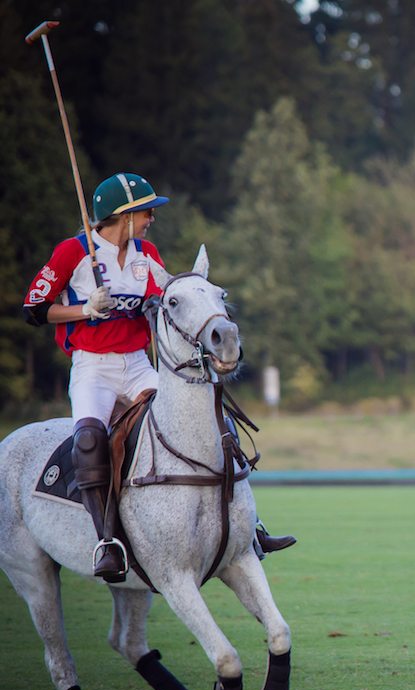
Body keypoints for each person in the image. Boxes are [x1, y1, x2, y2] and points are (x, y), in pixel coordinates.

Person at [23, 173, 294, 581]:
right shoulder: (73, 253)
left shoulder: (145, 253)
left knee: (202, 416)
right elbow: (34, 308)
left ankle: (248, 527)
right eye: (146, 211)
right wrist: (85, 310)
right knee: (90, 439)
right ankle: (107, 541)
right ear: (124, 216)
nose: (152, 218)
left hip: (136, 363)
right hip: (93, 367)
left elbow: (161, 299)